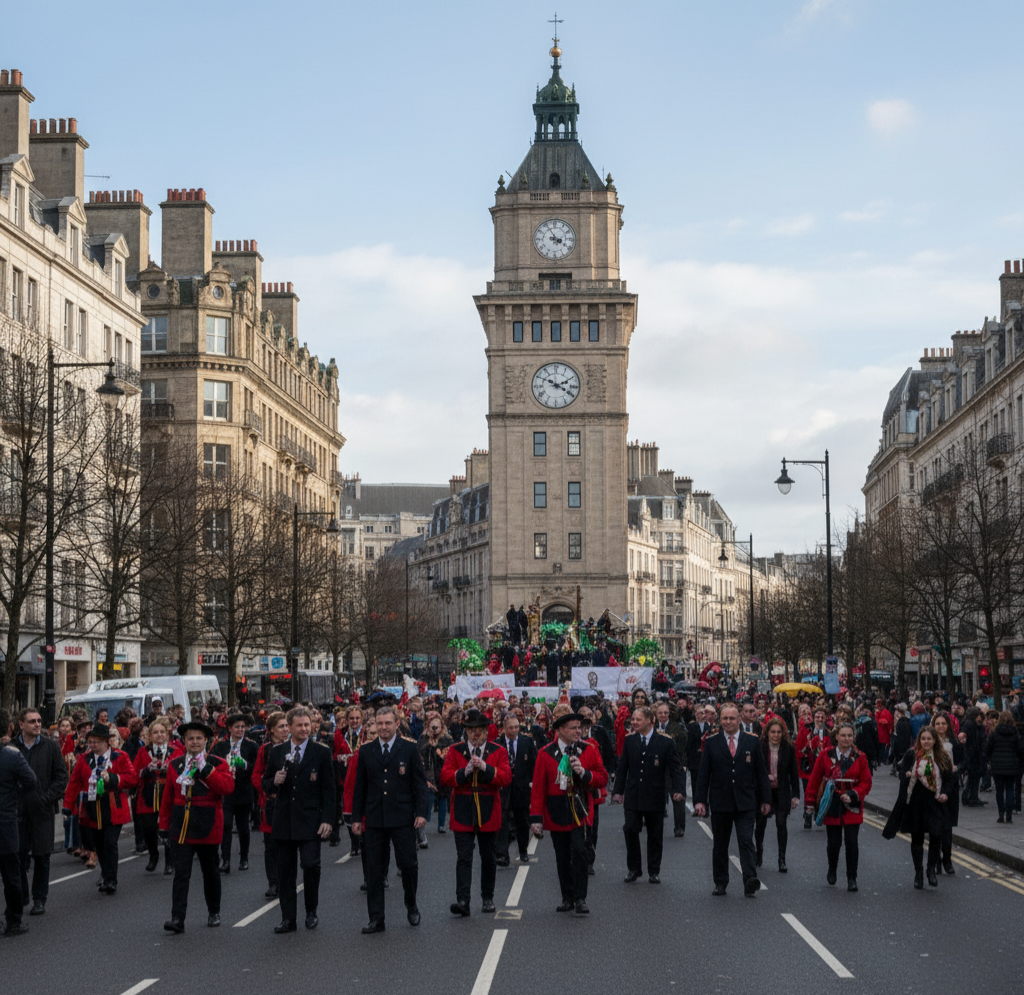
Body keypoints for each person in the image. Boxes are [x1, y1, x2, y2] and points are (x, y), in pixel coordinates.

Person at [351, 705, 429, 933]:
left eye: (388, 723)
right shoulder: (366, 751)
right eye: (379, 723)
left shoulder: (409, 749)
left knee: (408, 865)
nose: (383, 727)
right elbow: (360, 788)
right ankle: (376, 918)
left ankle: (411, 904)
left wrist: (421, 813)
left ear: (397, 724)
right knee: (374, 871)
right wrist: (357, 818)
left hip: (403, 818)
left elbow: (419, 785)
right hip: (375, 819)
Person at [262, 705, 336, 932]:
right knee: (286, 872)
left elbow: (329, 790)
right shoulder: (276, 752)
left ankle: (311, 909)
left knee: (311, 865)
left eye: (308, 725)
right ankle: (288, 918)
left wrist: (328, 820)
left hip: (311, 819)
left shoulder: (321, 752)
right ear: (290, 727)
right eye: (300, 725)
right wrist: (275, 779)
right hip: (284, 819)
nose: (305, 729)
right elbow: (265, 783)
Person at [158, 720, 235, 932]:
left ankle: (214, 911)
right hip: (181, 823)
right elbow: (168, 798)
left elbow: (226, 788)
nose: (194, 742)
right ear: (183, 741)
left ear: (206, 741)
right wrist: (163, 825)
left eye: (198, 738)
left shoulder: (218, 763)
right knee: (181, 873)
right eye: (190, 738)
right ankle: (178, 918)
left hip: (208, 821)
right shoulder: (175, 765)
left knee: (210, 870)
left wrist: (206, 770)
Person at [530, 711, 608, 916]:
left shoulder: (589, 750)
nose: (578, 731)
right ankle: (567, 897)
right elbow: (538, 788)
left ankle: (581, 898)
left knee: (580, 852)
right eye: (573, 728)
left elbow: (602, 778)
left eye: (579, 727)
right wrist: (536, 819)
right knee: (562, 856)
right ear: (560, 731)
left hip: (580, 808)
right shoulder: (545, 753)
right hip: (557, 810)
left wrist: (584, 773)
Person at [693, 703, 771, 897]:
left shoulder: (752, 741)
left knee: (746, 841)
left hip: (745, 801)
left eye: (732, 718)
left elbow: (761, 773)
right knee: (720, 844)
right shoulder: (711, 742)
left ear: (739, 720)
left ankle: (750, 879)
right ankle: (720, 882)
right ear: (720, 720)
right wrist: (700, 801)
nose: (728, 722)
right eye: (725, 719)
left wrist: (765, 799)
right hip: (721, 801)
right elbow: (703, 775)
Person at [440, 708, 511, 916]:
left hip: (489, 807)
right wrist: (465, 771)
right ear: (466, 732)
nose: (476, 733)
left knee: (488, 857)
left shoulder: (497, 751)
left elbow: (506, 778)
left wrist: (486, 768)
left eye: (479, 729)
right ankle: (463, 900)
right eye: (471, 730)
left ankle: (487, 897)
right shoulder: (455, 750)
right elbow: (445, 778)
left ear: (486, 731)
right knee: (464, 857)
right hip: (463, 807)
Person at [612, 705, 685, 884]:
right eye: (633, 719)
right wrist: (618, 792)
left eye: (638, 720)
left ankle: (654, 870)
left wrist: (678, 790)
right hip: (634, 793)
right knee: (630, 829)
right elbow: (623, 769)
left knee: (655, 835)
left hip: (655, 794)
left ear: (649, 721)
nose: (634, 723)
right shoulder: (630, 741)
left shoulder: (665, 742)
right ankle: (634, 868)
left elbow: (676, 769)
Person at [63, 723, 138, 895]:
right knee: (99, 845)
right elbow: (74, 784)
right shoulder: (84, 759)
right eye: (90, 741)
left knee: (110, 843)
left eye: (96, 741)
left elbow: (132, 779)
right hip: (91, 809)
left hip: (113, 808)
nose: (92, 745)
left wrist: (112, 778)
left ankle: (111, 879)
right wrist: (67, 807)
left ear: (106, 742)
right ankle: (105, 873)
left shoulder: (120, 757)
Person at [884, 726, 955, 889]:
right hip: (916, 802)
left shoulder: (942, 756)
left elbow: (950, 779)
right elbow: (901, 774)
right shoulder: (912, 754)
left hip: (935, 802)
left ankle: (931, 869)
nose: (926, 742)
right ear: (919, 740)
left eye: (929, 739)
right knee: (917, 839)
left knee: (936, 835)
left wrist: (945, 793)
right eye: (923, 739)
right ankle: (918, 872)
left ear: (934, 740)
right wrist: (907, 774)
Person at [805, 722, 872, 892]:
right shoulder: (826, 755)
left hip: (852, 803)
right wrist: (810, 802)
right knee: (834, 843)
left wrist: (853, 794)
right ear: (837, 736)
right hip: (832, 802)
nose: (847, 739)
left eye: (850, 735)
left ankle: (852, 878)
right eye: (843, 735)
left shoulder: (860, 756)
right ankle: (832, 869)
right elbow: (814, 779)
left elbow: (866, 781)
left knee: (852, 842)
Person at [13, 707, 68, 916]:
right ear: (21, 724)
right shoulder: (12, 748)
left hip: (42, 811)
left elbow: (60, 777)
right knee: (17, 855)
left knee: (42, 856)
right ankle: (22, 894)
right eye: (32, 721)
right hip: (17, 812)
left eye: (38, 721)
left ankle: (39, 898)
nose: (37, 724)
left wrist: (46, 799)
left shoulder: (50, 747)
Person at [210, 712, 258, 873]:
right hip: (226, 792)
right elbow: (214, 765)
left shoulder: (251, 746)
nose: (240, 730)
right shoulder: (221, 746)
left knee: (243, 826)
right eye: (237, 727)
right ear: (229, 728)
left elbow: (256, 768)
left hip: (243, 790)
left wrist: (244, 765)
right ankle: (225, 859)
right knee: (226, 825)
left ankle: (244, 858)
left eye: (243, 727)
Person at [755, 717, 800, 873]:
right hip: (763, 792)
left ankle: (782, 859)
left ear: (783, 733)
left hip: (782, 791)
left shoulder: (788, 747)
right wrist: (764, 777)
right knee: (760, 824)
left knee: (781, 824)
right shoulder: (760, 746)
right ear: (767, 733)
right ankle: (758, 852)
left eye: (779, 732)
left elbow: (794, 772)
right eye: (773, 732)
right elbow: (754, 770)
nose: (776, 735)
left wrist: (796, 795)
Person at [252, 711, 289, 898]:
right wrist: (267, 788)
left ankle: (286, 880)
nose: (285, 730)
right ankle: (273, 882)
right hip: (271, 802)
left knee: (287, 845)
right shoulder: (265, 750)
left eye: (286, 726)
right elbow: (256, 775)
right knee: (271, 846)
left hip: (291, 803)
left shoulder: (295, 747)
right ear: (272, 730)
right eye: (281, 726)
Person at [1, 742, 37, 937]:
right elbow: (31, 780)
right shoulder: (12, 756)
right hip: (5, 821)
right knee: (11, 875)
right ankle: (13, 920)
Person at [495, 712, 537, 866]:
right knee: (502, 820)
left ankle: (523, 851)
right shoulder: (497, 744)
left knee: (522, 821)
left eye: (517, 727)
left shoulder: (527, 742)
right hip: (503, 789)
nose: (514, 730)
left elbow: (533, 763)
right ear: (504, 729)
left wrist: (532, 784)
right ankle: (502, 854)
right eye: (511, 727)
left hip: (522, 788)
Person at [931, 711, 965, 874]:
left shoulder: (953, 742)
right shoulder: (928, 740)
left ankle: (947, 860)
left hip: (950, 785)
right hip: (933, 785)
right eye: (937, 723)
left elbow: (962, 760)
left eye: (943, 723)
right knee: (935, 826)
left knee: (948, 826)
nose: (941, 726)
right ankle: (936, 860)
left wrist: (957, 769)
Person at [654, 702, 688, 838]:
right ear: (656, 714)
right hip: (658, 767)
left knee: (678, 797)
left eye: (665, 713)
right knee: (657, 798)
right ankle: (656, 825)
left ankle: (679, 826)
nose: (663, 715)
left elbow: (683, 746)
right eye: (660, 713)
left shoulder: (677, 727)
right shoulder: (652, 727)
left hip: (674, 766)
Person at [418, 715, 453, 839]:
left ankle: (441, 825)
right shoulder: (423, 738)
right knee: (429, 798)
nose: (434, 729)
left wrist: (442, 753)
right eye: (432, 727)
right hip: (429, 772)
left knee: (443, 798)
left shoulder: (447, 739)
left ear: (441, 727)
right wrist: (430, 745)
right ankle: (424, 823)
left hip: (442, 771)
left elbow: (450, 754)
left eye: (436, 727)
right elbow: (420, 752)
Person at [796, 707, 831, 829]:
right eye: (817, 716)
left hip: (823, 769)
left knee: (820, 791)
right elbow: (799, 747)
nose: (819, 719)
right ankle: (807, 815)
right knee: (808, 791)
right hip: (808, 767)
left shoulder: (829, 732)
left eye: (822, 717)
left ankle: (817, 813)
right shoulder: (806, 730)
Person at [984, 711, 1022, 824]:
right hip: (1011, 765)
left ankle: (1001, 814)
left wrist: (989, 760)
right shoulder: (1015, 734)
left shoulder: (994, 733)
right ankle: (1009, 815)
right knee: (1010, 789)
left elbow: (987, 749)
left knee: (999, 791)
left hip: (997, 766)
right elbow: (1019, 750)